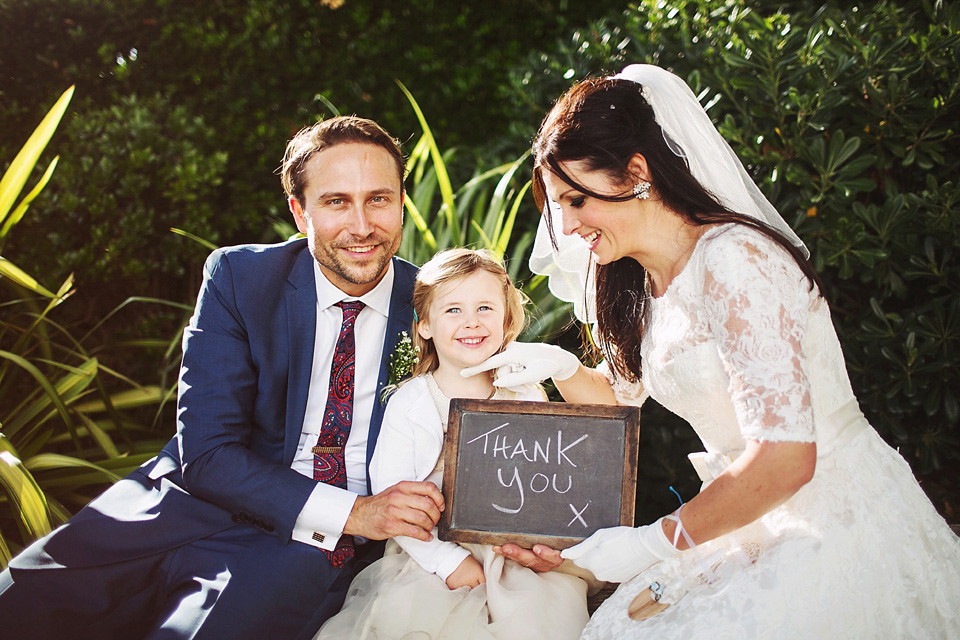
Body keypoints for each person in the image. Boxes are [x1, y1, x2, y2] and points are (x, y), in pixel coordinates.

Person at [465, 65, 960, 638]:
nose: (566, 225)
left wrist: (653, 542)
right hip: (739, 522)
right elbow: (619, 402)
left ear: (634, 173)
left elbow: (786, 457)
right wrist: (565, 368)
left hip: (831, 519)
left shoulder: (735, 261)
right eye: (558, 205)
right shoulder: (635, 282)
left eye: (576, 199)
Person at [0, 115, 446, 639]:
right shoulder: (240, 278)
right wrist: (360, 511)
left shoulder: (436, 303)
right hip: (189, 503)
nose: (362, 225)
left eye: (378, 199)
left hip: (316, 542)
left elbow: (484, 427)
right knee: (21, 604)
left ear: (400, 202)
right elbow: (208, 452)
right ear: (299, 212)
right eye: (335, 202)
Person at [315, 248, 597, 640]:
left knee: (543, 616)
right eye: (453, 310)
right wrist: (448, 563)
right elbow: (393, 498)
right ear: (425, 324)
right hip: (432, 554)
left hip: (515, 555)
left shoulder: (523, 392)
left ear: (507, 319)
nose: (472, 323)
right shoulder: (412, 403)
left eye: (485, 308)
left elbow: (547, 479)